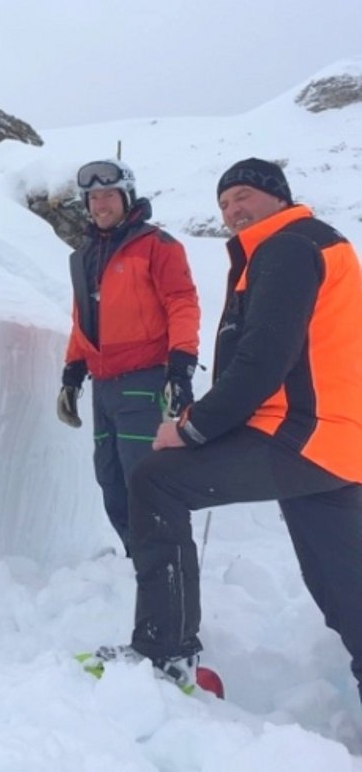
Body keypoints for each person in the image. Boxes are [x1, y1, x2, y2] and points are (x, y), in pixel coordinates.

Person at [116, 157, 362, 698]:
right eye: (224, 204)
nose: (233, 211)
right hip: (335, 442)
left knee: (156, 479)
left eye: (244, 196)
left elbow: (265, 358)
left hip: (301, 436)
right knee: (343, 582)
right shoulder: (307, 247)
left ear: (279, 196)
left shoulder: (290, 246)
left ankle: (164, 652)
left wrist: (193, 428)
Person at [57, 158, 200, 556]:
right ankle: (141, 560)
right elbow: (83, 319)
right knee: (111, 481)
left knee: (145, 479)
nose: (101, 204)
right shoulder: (84, 255)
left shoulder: (158, 246)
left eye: (109, 195)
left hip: (144, 381)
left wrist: (181, 365)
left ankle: (167, 563)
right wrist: (72, 373)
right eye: (93, 197)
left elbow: (182, 303)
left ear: (126, 197)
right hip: (103, 387)